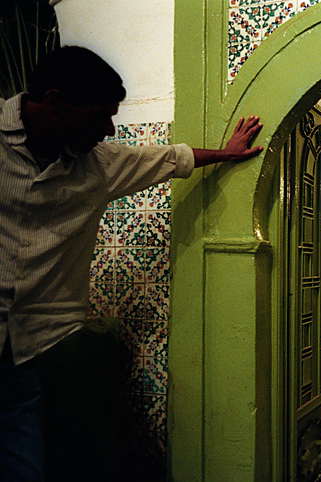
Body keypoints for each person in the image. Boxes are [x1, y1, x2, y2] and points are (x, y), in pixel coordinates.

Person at [0, 46, 264, 481]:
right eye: (100, 114)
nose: (108, 129)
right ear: (54, 102)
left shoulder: (100, 166)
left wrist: (226, 153)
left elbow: (169, 158)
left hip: (22, 358)